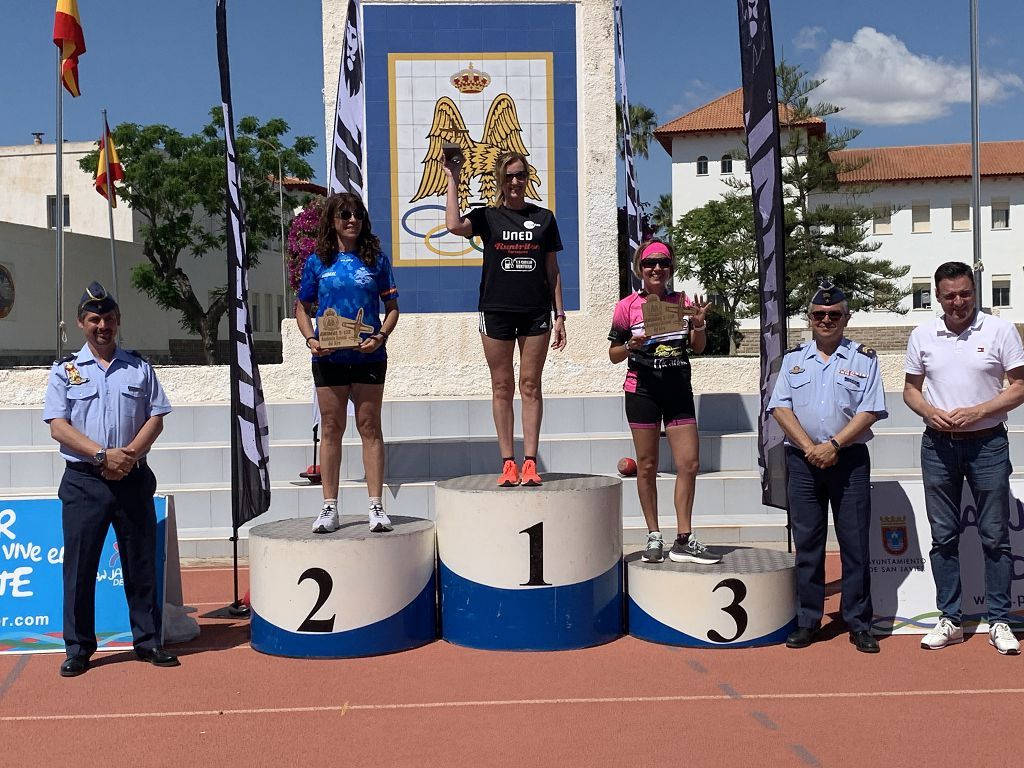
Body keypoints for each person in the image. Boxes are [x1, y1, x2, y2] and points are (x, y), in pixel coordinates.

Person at [44, 282, 178, 677]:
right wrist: (103, 455)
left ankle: (148, 641)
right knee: (81, 568)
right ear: (82, 324)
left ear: (118, 321)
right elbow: (58, 426)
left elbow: (156, 416)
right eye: (94, 319)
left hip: (132, 478)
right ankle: (79, 648)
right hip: (85, 482)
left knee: (139, 564)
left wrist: (128, 456)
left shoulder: (139, 367)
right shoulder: (65, 370)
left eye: (109, 319)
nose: (102, 326)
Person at [904, 261, 1024, 655]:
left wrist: (978, 411)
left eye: (965, 293)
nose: (959, 302)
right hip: (938, 446)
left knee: (994, 536)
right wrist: (927, 411)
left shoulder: (1000, 329)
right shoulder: (922, 334)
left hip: (988, 444)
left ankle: (1000, 619)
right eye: (950, 295)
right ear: (937, 297)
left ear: (975, 291)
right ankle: (950, 618)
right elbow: (911, 391)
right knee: (943, 537)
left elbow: (1019, 387)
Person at [767, 282, 887, 654]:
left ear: (846, 318)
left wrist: (833, 445)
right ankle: (808, 620)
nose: (826, 320)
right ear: (810, 318)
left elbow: (870, 411)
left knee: (854, 545)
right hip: (802, 461)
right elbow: (780, 407)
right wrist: (810, 448)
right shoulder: (793, 359)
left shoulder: (864, 359)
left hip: (848, 460)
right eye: (819, 314)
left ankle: (858, 622)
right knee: (808, 543)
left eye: (835, 315)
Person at [443, 150, 566, 487]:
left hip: (535, 312)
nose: (515, 181)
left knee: (530, 385)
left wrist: (560, 315)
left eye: (521, 175)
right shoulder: (488, 216)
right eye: (509, 175)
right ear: (500, 179)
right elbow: (454, 225)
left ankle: (530, 463)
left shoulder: (544, 218)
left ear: (528, 178)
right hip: (495, 310)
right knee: (501, 386)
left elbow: (553, 270)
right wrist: (453, 177)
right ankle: (507, 463)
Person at [608, 239, 721, 566]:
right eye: (649, 263)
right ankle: (654, 535)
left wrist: (698, 325)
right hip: (641, 390)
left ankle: (683, 538)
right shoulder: (627, 305)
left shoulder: (683, 302)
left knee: (690, 464)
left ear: (671, 268)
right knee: (647, 465)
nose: (656, 268)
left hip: (677, 390)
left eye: (663, 263)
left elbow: (698, 347)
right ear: (639, 269)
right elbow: (613, 355)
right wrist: (631, 343)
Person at [295, 193, 400, 534]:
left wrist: (380, 337)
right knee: (331, 429)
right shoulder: (317, 262)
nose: (351, 219)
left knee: (369, 428)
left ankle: (376, 506)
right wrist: (311, 340)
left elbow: (393, 308)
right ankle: (329, 507)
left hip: (369, 356)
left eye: (356, 214)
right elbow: (302, 307)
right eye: (344, 214)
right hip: (329, 357)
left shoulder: (377, 262)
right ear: (332, 220)